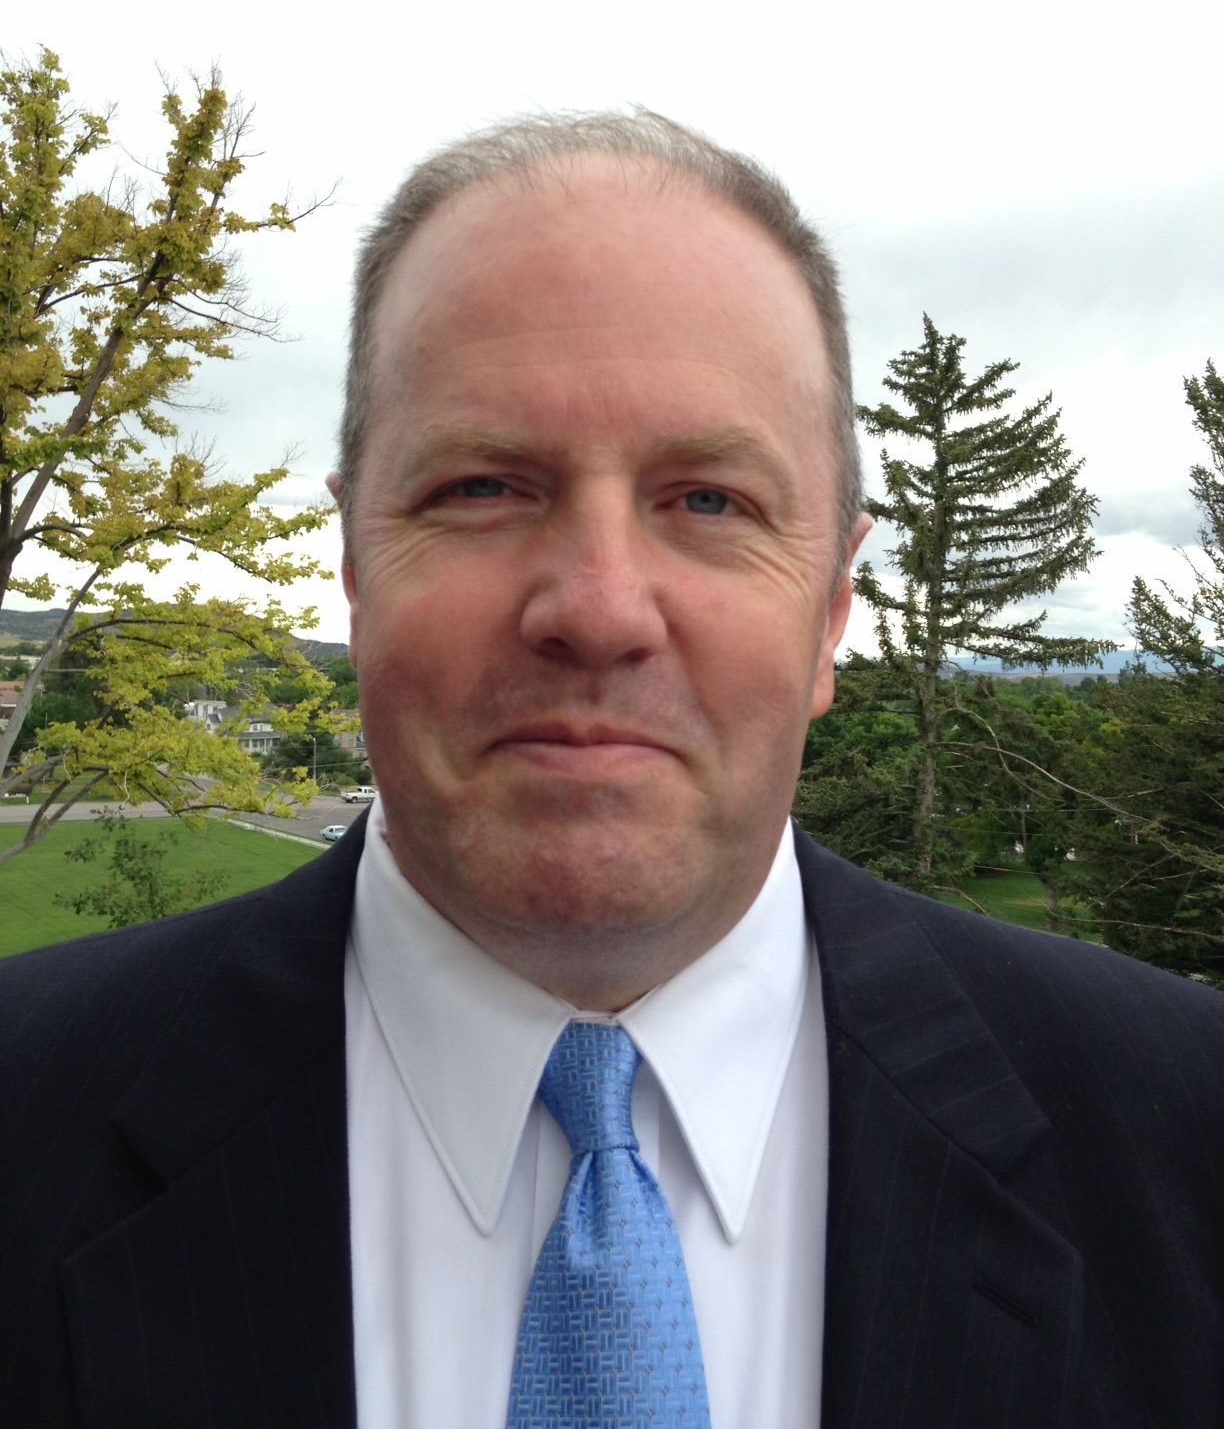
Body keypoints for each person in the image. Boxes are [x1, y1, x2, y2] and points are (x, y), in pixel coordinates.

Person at [1, 112, 1221, 1429]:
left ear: (829, 614)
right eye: (482, 487)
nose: (597, 608)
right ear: (354, 572)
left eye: (708, 500)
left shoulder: (1186, 1143)